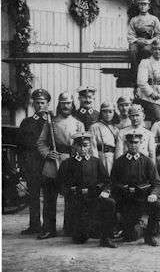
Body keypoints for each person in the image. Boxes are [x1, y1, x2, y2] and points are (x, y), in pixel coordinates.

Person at [37, 92, 85, 239]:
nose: (66, 106)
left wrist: (76, 158)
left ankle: (70, 228)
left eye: (68, 103)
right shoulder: (50, 123)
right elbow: (41, 142)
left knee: (71, 197)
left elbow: (82, 145)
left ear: (72, 105)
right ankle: (49, 229)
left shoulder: (78, 124)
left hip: (70, 163)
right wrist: (47, 153)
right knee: (50, 199)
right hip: (53, 163)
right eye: (63, 103)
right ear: (59, 104)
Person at [56, 132, 116, 248]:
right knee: (80, 238)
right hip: (76, 201)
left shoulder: (96, 162)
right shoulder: (67, 163)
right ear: (75, 147)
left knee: (110, 203)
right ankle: (82, 230)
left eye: (86, 145)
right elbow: (60, 184)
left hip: (94, 198)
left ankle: (106, 237)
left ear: (90, 146)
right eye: (80, 145)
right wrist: (69, 193)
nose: (83, 148)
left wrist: (105, 191)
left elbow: (107, 181)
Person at [111, 131, 160, 246]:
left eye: (136, 142)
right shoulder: (119, 162)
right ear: (126, 144)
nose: (133, 145)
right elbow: (113, 182)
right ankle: (133, 227)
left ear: (140, 143)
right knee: (130, 237)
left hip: (143, 198)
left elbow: (156, 182)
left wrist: (153, 194)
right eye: (130, 142)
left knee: (158, 204)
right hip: (126, 200)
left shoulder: (147, 161)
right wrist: (123, 189)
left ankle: (150, 235)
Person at [18, 89, 51, 235]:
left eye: (43, 103)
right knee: (34, 196)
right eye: (37, 103)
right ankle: (34, 225)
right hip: (32, 164)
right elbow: (21, 147)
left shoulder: (52, 121)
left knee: (50, 196)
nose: (40, 106)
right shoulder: (26, 122)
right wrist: (22, 166)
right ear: (33, 104)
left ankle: (49, 226)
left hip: (48, 163)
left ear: (47, 104)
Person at [136, 37, 160, 122]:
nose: (157, 51)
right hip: (150, 95)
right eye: (155, 49)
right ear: (151, 50)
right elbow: (141, 82)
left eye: (159, 49)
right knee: (158, 116)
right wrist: (151, 93)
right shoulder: (145, 62)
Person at [127, 0, 160, 74]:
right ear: (138, 6)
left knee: (146, 50)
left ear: (149, 6)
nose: (143, 6)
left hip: (148, 41)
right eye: (141, 4)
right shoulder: (134, 19)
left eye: (145, 4)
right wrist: (137, 40)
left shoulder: (154, 19)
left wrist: (151, 41)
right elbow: (130, 35)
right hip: (136, 42)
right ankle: (135, 74)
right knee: (133, 50)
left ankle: (146, 73)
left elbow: (159, 34)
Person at [89, 102, 119, 175]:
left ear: (114, 113)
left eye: (110, 112)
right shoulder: (94, 127)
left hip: (112, 157)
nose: (107, 114)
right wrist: (95, 162)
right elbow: (93, 146)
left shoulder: (116, 129)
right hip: (100, 156)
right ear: (101, 113)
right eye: (104, 111)